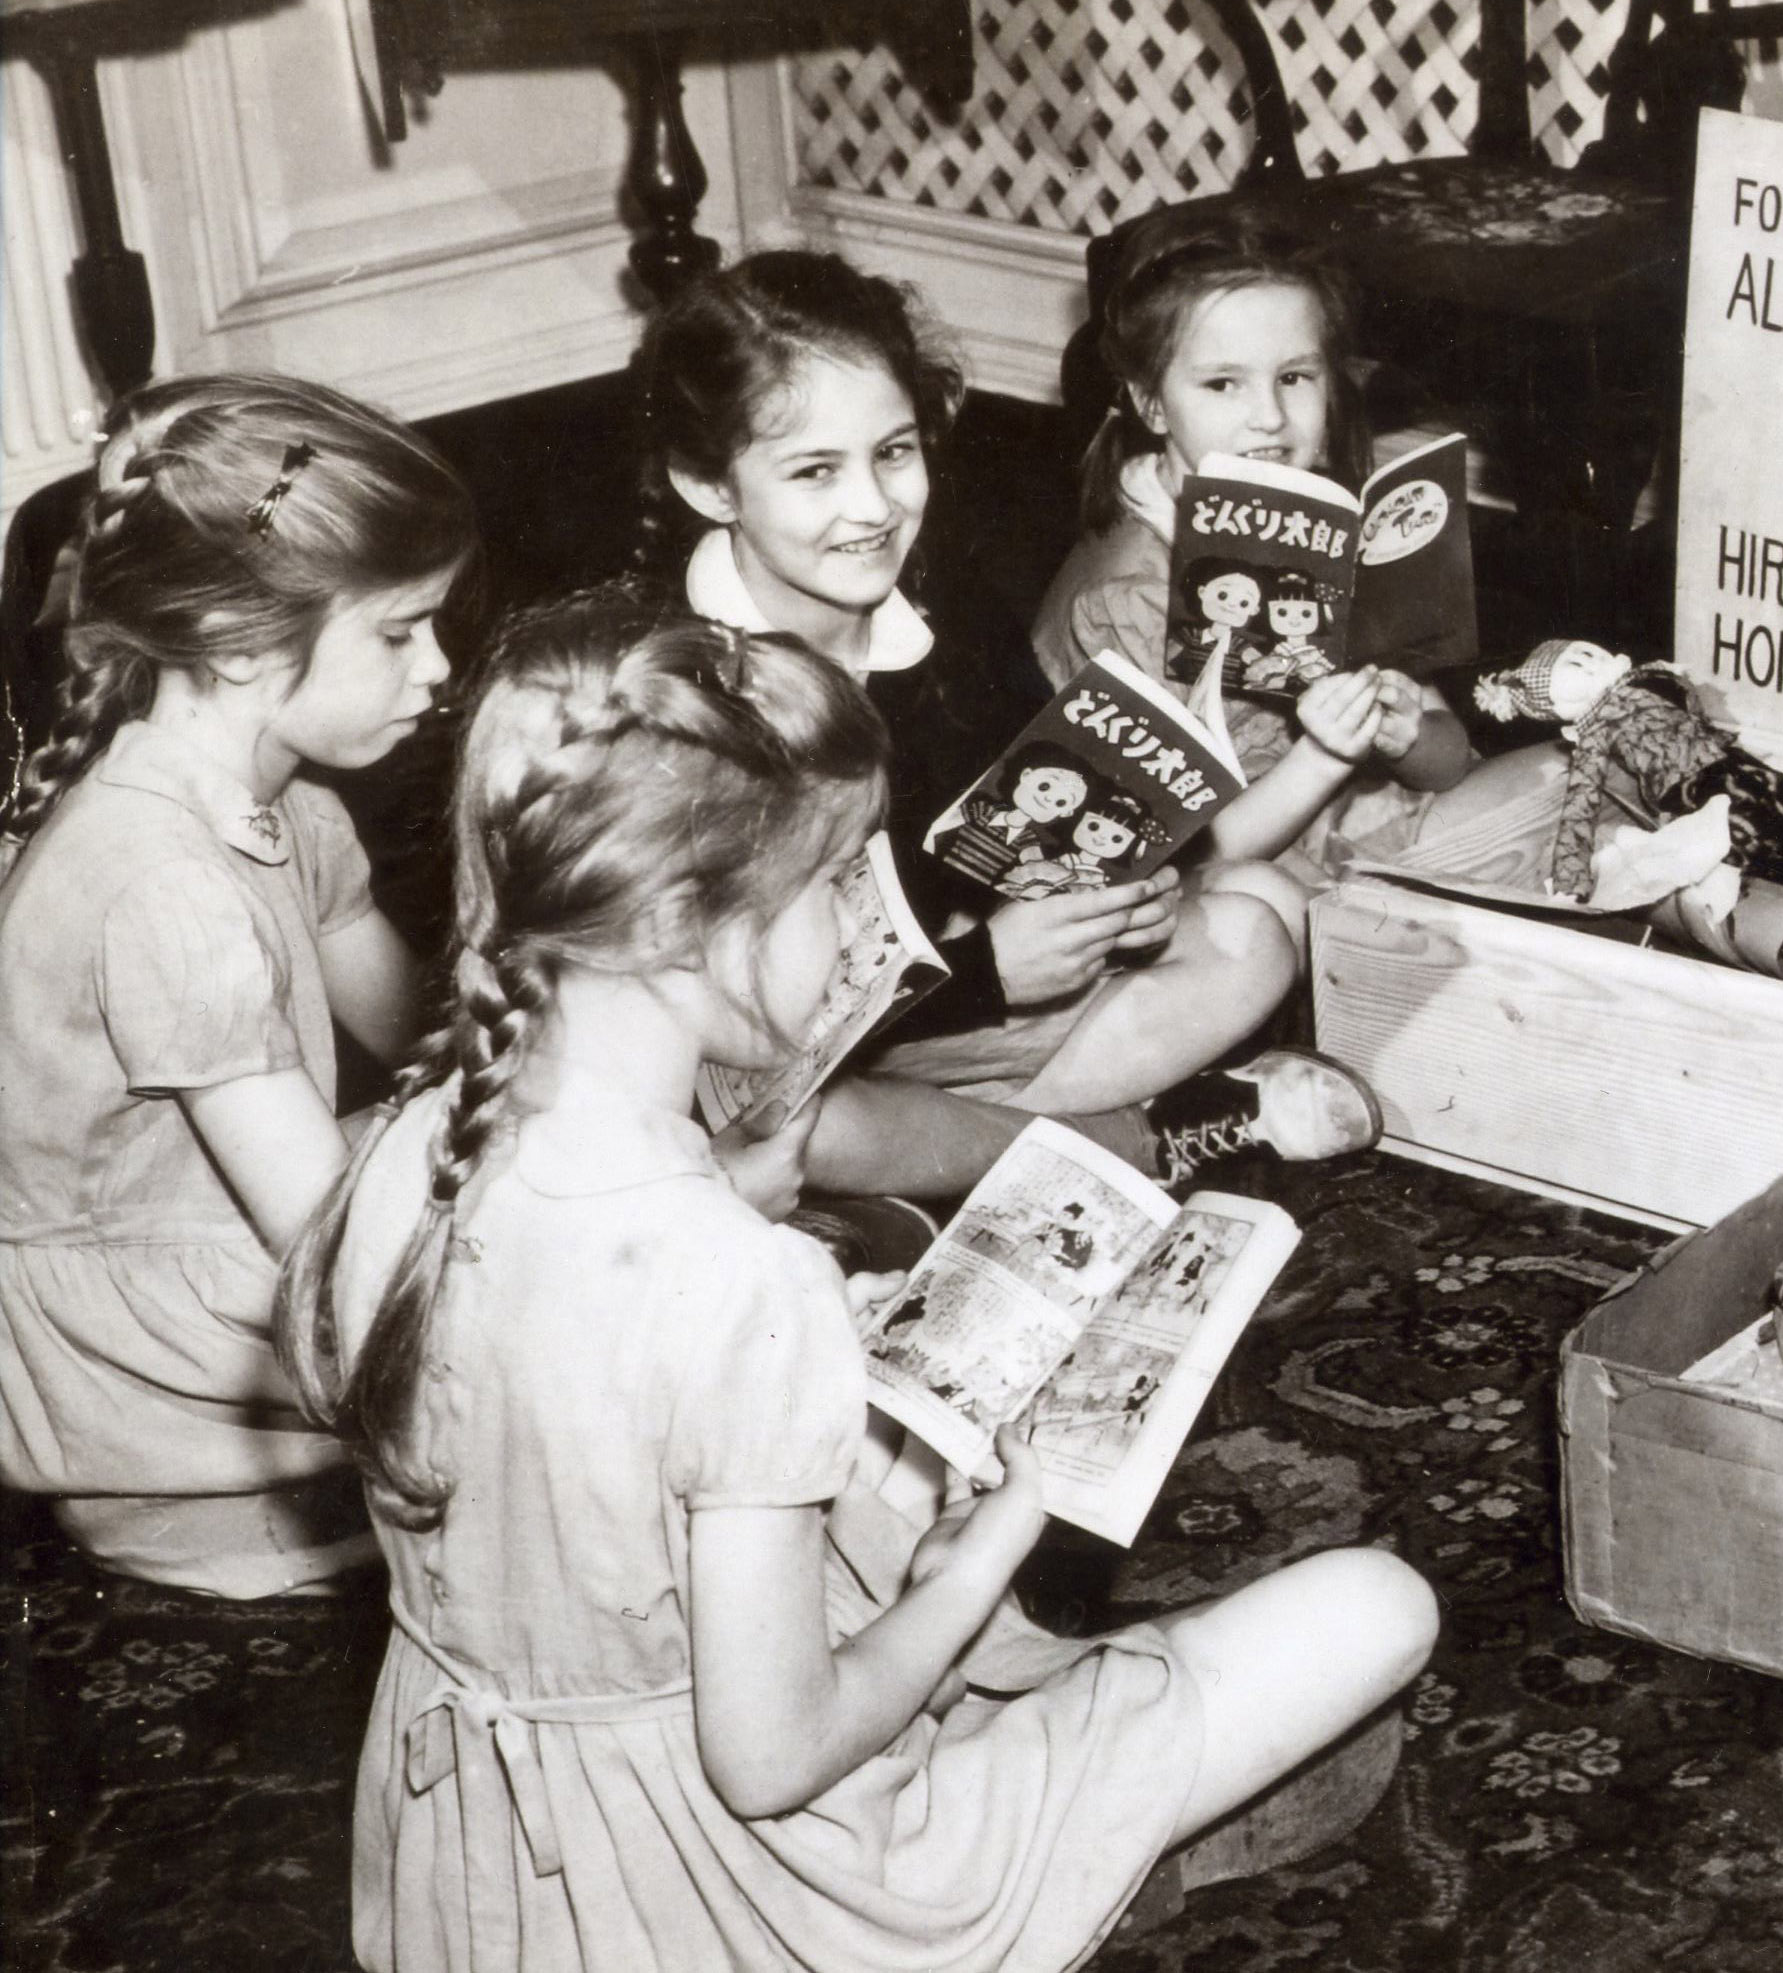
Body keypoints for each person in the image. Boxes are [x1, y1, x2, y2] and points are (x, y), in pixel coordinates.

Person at [276, 611, 1437, 1970]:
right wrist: (1001, 1535)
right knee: (1378, 1606)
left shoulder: (411, 1140)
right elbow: (772, 1761)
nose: (867, 927)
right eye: (839, 880)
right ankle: (1076, 1840)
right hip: (736, 1891)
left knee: (892, 1429)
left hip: (473, 1887)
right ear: (674, 921)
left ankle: (1056, 1756)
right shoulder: (735, 1280)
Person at [632, 250, 1379, 1192]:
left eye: (894, 453)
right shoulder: (670, 683)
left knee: (1260, 919)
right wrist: (985, 972)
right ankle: (1139, 1139)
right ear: (709, 486)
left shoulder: (941, 598)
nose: (872, 509)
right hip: (802, 1037)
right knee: (796, 1123)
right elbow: (725, 1016)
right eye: (814, 471)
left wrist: (1125, 897)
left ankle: (982, 1151)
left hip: (962, 991)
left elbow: (1045, 791)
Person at [0, 374, 471, 1595]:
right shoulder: (164, 881)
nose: (440, 667)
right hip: (155, 1404)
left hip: (238, 1263)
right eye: (400, 628)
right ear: (243, 641)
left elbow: (430, 1043)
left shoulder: (289, 805)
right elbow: (329, 1240)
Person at [1032, 218, 1524, 893]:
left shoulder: (1320, 522)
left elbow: (1450, 760)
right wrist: (1323, 755)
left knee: (1588, 776)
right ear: (1150, 403)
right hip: (1248, 884)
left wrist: (1407, 732)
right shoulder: (1126, 598)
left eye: (1294, 376)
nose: (1269, 415)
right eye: (1222, 384)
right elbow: (1169, 858)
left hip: (1378, 828)